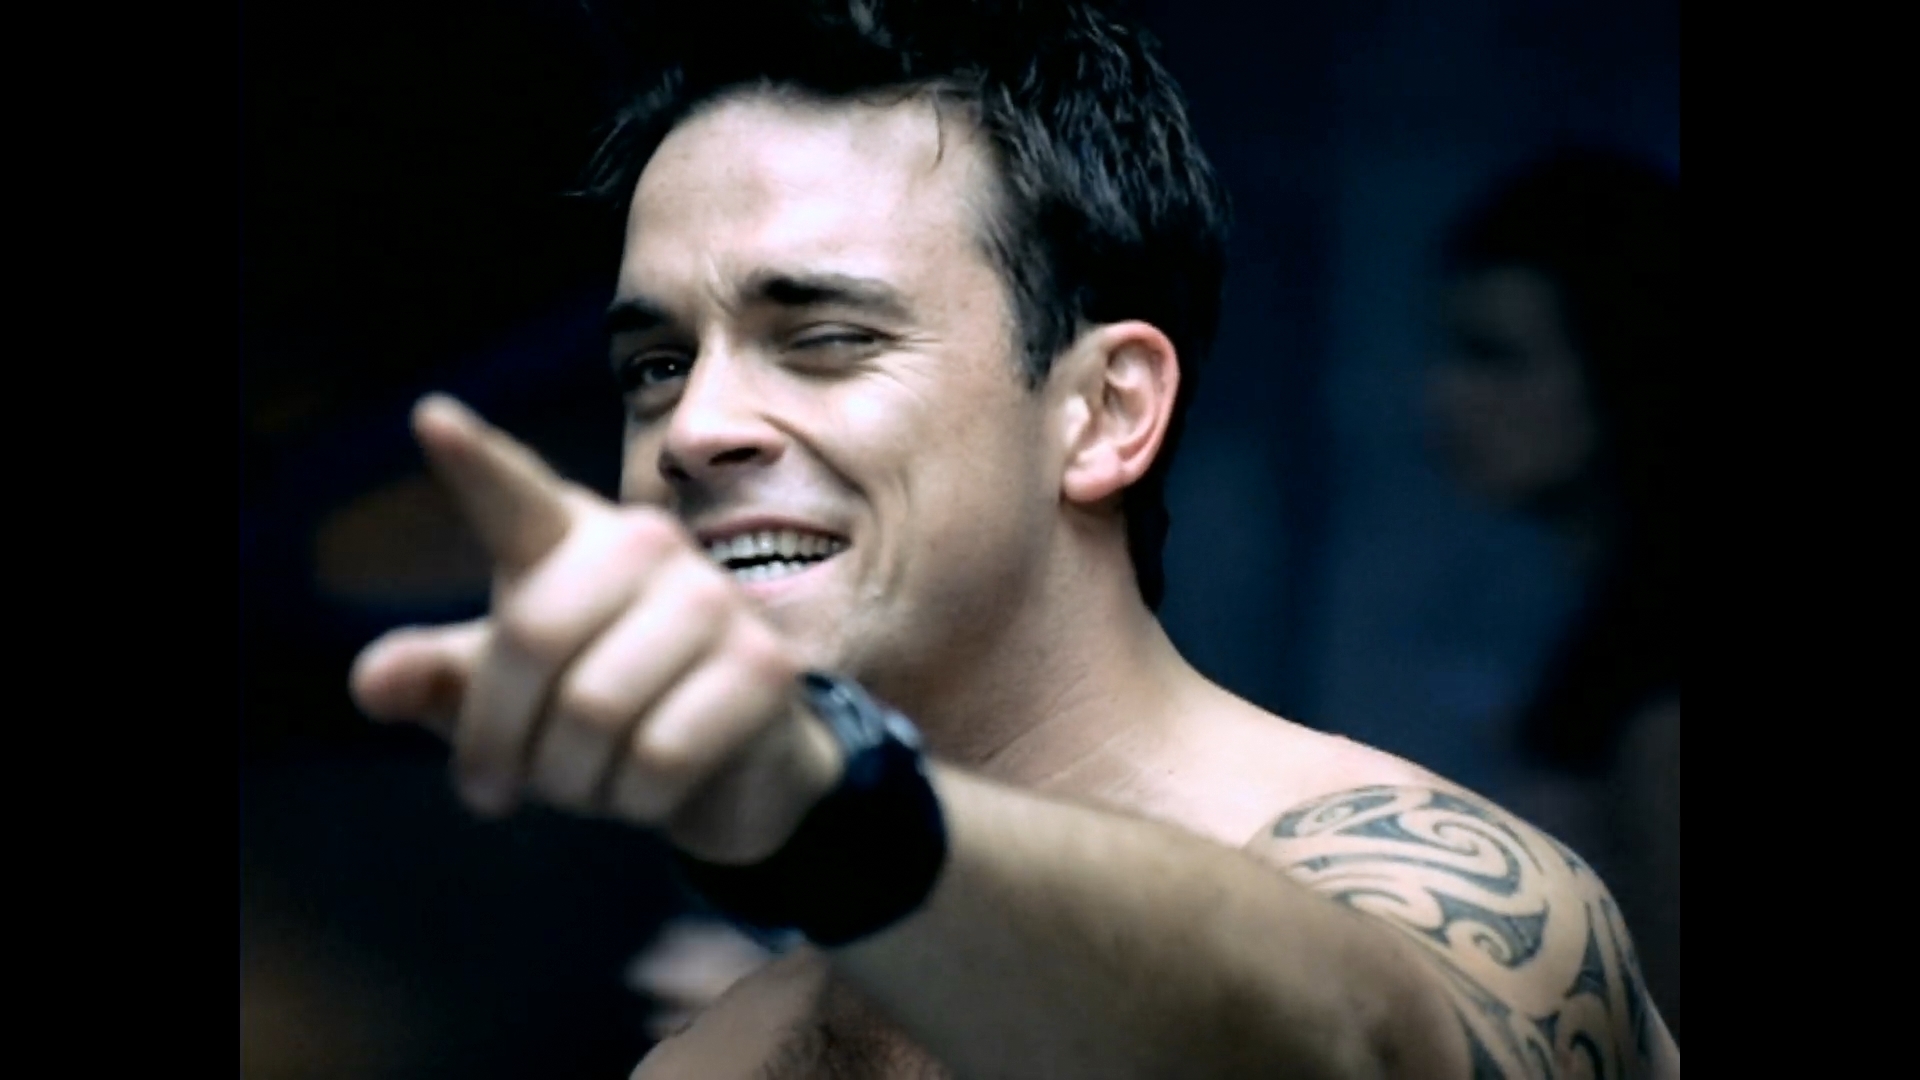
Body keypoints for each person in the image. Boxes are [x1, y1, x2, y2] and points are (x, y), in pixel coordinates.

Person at [349, 3, 1680, 1075]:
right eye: (654, 365)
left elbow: (1361, 1045)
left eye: (824, 339)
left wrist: (831, 813)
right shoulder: (723, 1054)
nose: (692, 429)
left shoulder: (1465, 895)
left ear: (1105, 412)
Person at [1428, 149, 1681, 1041]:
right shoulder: (1607, 634)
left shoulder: (1656, 680)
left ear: (1622, 365)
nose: (1446, 396)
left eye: (1498, 357)